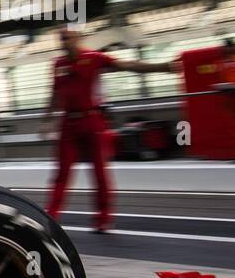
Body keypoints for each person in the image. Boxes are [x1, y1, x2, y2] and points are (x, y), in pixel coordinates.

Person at [44, 25, 177, 232]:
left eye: (68, 38)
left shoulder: (94, 58)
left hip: (92, 120)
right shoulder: (58, 64)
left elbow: (129, 65)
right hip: (68, 123)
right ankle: (50, 216)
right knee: (61, 171)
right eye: (61, 39)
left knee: (99, 171)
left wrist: (162, 67)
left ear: (79, 38)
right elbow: (55, 93)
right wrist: (48, 115)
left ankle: (103, 218)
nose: (64, 42)